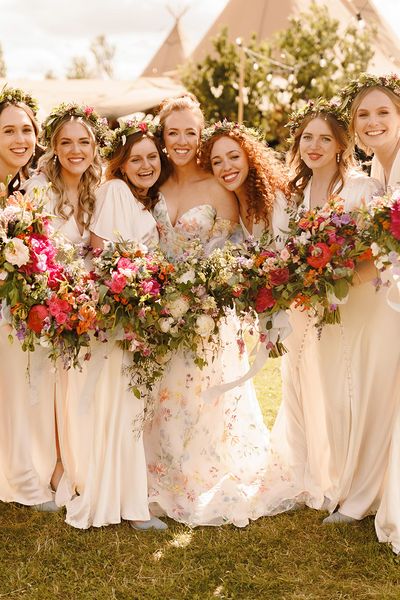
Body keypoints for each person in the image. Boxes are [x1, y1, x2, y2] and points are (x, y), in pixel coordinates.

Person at [144, 94, 271, 527]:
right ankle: (154, 474)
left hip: (204, 314)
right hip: (157, 309)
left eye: (189, 132)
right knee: (161, 401)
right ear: (162, 137)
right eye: (172, 132)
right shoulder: (152, 184)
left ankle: (199, 476)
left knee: (197, 399)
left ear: (200, 136)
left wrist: (207, 295)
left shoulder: (218, 186)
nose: (181, 140)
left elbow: (236, 250)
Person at [274, 98, 400, 524]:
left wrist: (335, 279)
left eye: (325, 138)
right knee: (319, 391)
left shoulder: (363, 188)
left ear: (341, 144)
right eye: (307, 137)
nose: (315, 145)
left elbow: (382, 248)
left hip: (359, 304)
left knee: (352, 394)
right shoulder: (290, 195)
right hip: (308, 308)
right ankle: (327, 477)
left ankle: (358, 494)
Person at [61, 118, 168, 530]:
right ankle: (125, 505)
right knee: (118, 408)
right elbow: (102, 255)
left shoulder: (140, 199)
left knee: (128, 409)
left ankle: (129, 496)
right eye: (136, 158)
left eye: (152, 158)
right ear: (121, 164)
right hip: (115, 319)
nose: (145, 165)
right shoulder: (116, 191)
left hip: (134, 318)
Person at [343, 73, 400, 551]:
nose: (373, 121)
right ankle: (372, 492)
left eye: (383, 111)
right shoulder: (377, 174)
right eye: (364, 114)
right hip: (387, 299)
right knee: (381, 391)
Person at [0, 86, 59, 510]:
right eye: (8, 131)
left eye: (26, 130)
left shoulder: (20, 188)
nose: (20, 139)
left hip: (16, 305)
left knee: (21, 390)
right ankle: (21, 482)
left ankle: (27, 471)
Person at [199, 119, 290, 246]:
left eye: (234, 157)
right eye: (217, 162)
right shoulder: (228, 209)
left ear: (250, 158)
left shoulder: (275, 201)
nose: (226, 167)